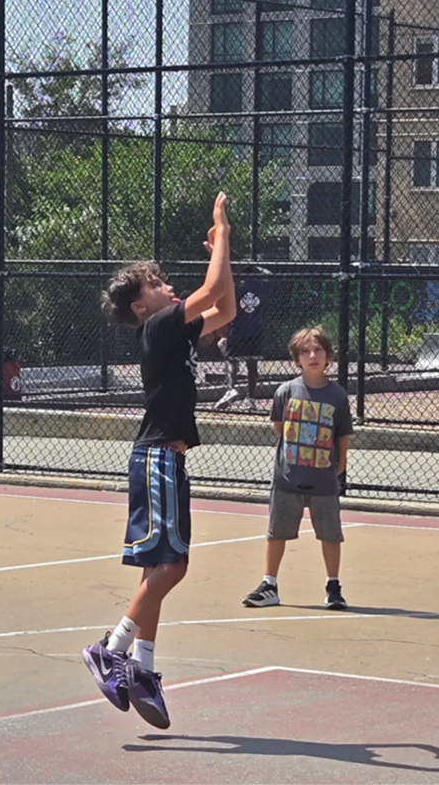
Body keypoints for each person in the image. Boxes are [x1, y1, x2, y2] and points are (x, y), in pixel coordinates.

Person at [82, 192, 235, 729]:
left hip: (167, 461)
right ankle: (111, 649)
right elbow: (209, 291)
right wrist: (222, 231)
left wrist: (223, 255)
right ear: (141, 307)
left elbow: (225, 308)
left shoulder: (170, 330)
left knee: (159, 568)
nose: (167, 286)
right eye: (157, 284)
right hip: (156, 457)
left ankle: (142, 668)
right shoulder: (157, 327)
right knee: (173, 566)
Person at [241, 324, 353, 611]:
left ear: (328, 356)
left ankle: (333, 586)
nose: (312, 356)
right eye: (305, 351)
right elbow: (280, 427)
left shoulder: (337, 395)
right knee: (276, 532)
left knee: (330, 534)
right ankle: (269, 585)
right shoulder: (286, 391)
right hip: (287, 479)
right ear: (296, 358)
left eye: (318, 350)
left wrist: (340, 467)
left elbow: (342, 435)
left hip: (323, 480)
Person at [214, 265, 271, 412]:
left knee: (231, 360)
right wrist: (257, 266)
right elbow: (269, 274)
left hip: (238, 329)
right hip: (256, 330)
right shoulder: (261, 286)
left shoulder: (236, 287)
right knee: (252, 364)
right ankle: (250, 398)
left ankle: (231, 389)